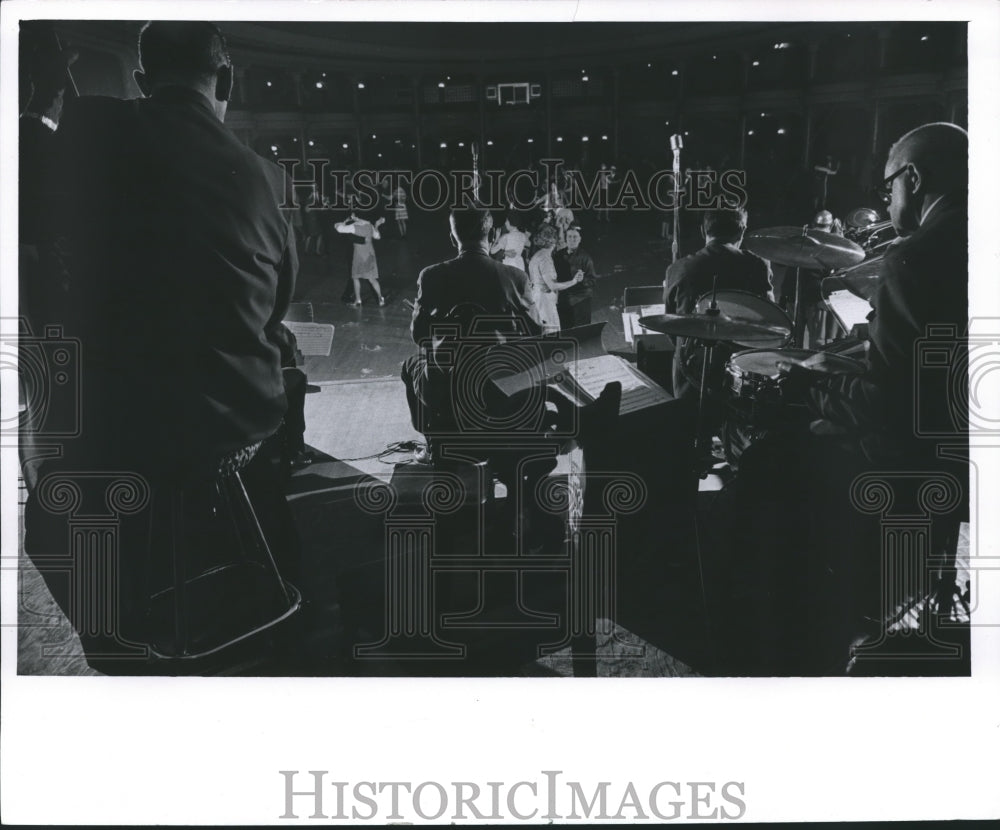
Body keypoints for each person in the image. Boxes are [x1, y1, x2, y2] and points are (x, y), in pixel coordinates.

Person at [24, 21, 300, 669]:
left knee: (48, 513)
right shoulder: (269, 176)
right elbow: (277, 306)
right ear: (226, 79)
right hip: (245, 421)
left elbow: (27, 165)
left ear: (143, 81)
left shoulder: (96, 129)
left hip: (141, 429)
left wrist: (41, 98)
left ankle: (116, 648)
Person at [401, 200, 540, 462]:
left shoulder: (431, 276)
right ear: (493, 234)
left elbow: (419, 337)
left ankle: (433, 442)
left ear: (453, 238)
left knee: (410, 366)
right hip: (500, 386)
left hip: (449, 387)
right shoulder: (516, 278)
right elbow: (535, 335)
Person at [663, 206, 774, 399]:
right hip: (739, 372)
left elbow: (671, 326)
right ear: (742, 231)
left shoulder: (677, 269)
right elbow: (769, 322)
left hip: (690, 371)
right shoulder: (758, 266)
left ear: (703, 230)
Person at [526, 223, 582, 333]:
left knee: (545, 332)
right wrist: (573, 281)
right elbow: (552, 285)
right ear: (553, 241)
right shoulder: (545, 258)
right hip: (544, 300)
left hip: (539, 298)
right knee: (551, 333)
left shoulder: (539, 255)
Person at [335, 211, 386, 306]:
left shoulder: (354, 226)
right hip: (370, 254)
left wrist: (344, 221)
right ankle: (380, 299)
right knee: (372, 279)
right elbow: (378, 236)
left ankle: (358, 300)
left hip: (359, 254)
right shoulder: (369, 225)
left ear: (355, 216)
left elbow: (338, 228)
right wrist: (376, 225)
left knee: (355, 277)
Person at [553, 225, 598, 329]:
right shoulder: (558, 255)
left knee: (581, 331)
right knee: (565, 329)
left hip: (580, 300)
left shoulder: (585, 258)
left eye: (575, 237)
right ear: (565, 238)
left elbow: (593, 280)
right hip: (564, 300)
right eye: (569, 236)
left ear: (580, 239)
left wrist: (583, 280)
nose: (572, 240)